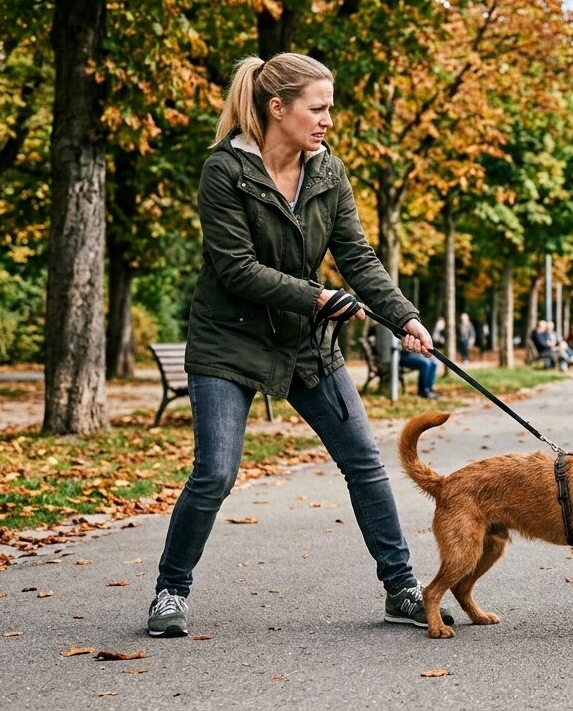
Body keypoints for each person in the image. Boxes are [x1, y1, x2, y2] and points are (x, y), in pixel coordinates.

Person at [149, 53, 450, 638]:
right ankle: (170, 591)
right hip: (228, 342)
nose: (327, 120)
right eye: (318, 108)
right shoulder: (225, 170)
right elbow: (236, 268)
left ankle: (402, 589)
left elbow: (357, 257)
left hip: (305, 345)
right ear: (276, 107)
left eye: (329, 108)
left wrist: (404, 318)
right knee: (214, 472)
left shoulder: (327, 171)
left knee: (363, 461)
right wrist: (317, 297)